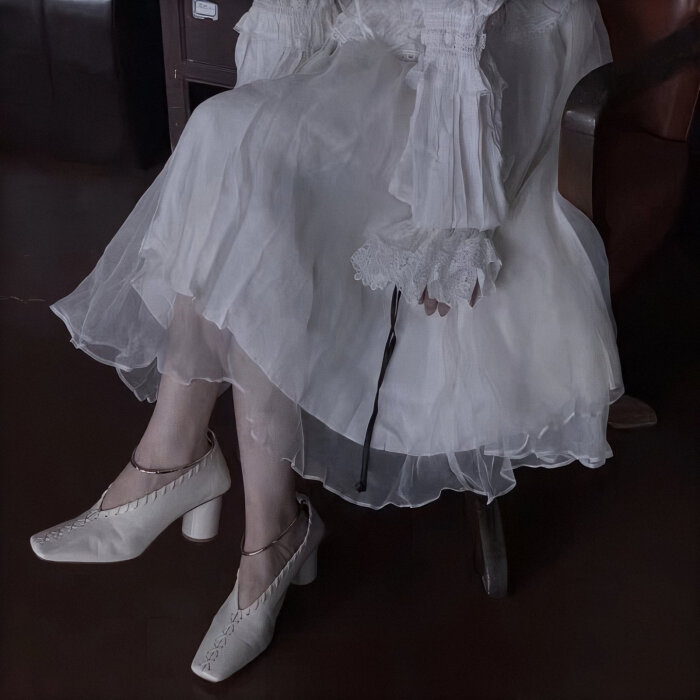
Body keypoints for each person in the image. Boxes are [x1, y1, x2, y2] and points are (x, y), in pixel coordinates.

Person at [29, 0, 624, 684]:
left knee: (242, 150)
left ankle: (195, 477)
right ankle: (251, 516)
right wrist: (274, 92)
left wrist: (448, 214)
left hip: (493, 58)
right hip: (383, 45)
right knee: (232, 144)